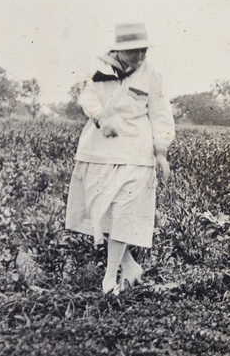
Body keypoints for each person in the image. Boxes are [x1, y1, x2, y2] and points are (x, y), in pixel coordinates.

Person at [66, 23, 175, 295]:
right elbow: (88, 96)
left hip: (136, 151)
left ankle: (109, 277)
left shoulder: (152, 73)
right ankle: (129, 266)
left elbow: (161, 112)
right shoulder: (98, 68)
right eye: (133, 51)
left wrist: (161, 152)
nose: (139, 57)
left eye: (143, 51)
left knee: (126, 209)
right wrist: (102, 119)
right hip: (100, 147)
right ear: (118, 50)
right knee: (102, 208)